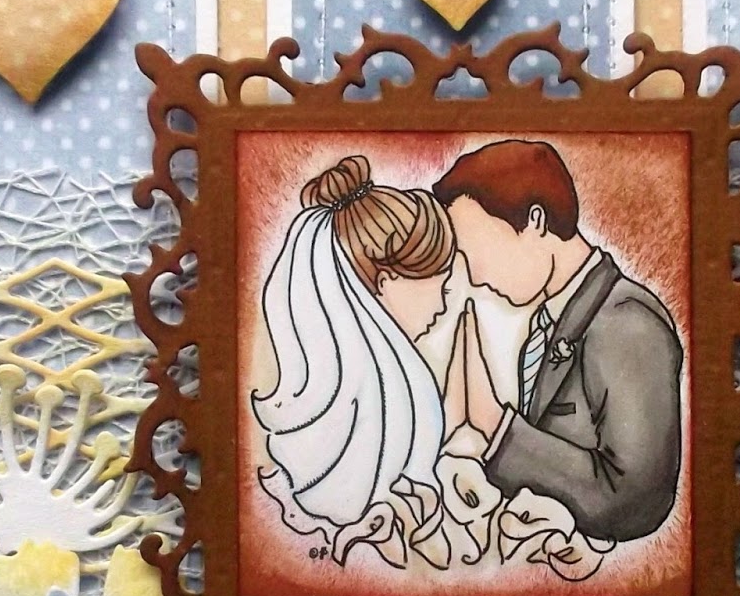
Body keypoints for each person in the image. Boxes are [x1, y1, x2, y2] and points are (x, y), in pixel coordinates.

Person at [433, 138, 683, 542]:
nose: (475, 276)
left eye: (478, 249)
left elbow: (637, 499)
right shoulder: (550, 323)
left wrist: (497, 429)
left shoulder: (626, 323)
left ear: (536, 221)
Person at [252, 155, 454, 529]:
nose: (443, 304)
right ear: (385, 283)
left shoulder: (389, 390)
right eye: (440, 286)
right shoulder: (358, 422)